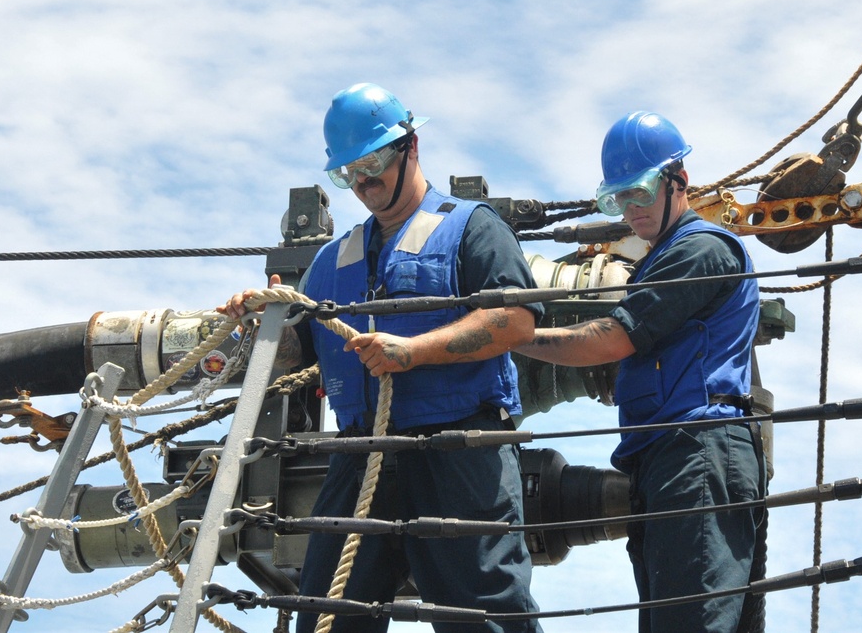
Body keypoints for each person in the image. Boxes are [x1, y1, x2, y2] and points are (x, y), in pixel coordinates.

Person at [220, 83, 544, 633]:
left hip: (458, 455)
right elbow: (299, 350)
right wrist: (257, 324)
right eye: (348, 172)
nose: (363, 183)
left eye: (371, 162)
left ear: (410, 147)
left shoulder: (473, 227)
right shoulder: (331, 262)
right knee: (324, 616)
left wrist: (412, 352)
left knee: (483, 617)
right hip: (361, 455)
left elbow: (514, 319)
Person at [514, 111, 765, 633]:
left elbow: (612, 339)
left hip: (697, 451)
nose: (630, 210)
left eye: (641, 192)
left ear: (680, 181)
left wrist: (513, 336)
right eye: (617, 198)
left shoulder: (702, 249)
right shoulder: (658, 260)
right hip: (664, 459)